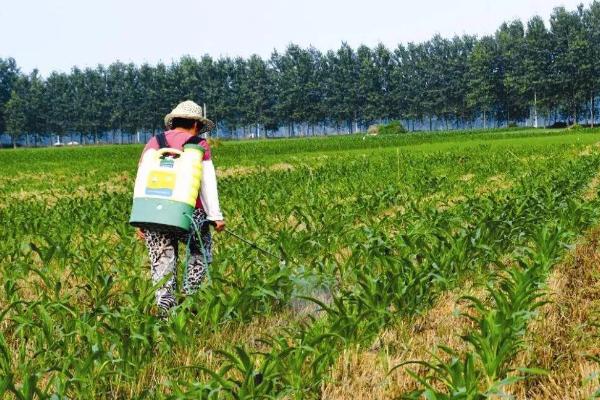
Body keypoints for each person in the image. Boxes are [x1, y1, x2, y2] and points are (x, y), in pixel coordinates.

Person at [137, 100, 225, 313]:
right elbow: (207, 183)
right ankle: (188, 298)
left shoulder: (153, 143)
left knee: (162, 263)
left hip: (153, 213)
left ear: (173, 122)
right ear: (196, 124)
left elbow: (141, 178)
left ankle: (166, 312)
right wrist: (215, 216)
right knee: (200, 252)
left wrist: (140, 219)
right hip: (188, 213)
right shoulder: (198, 144)